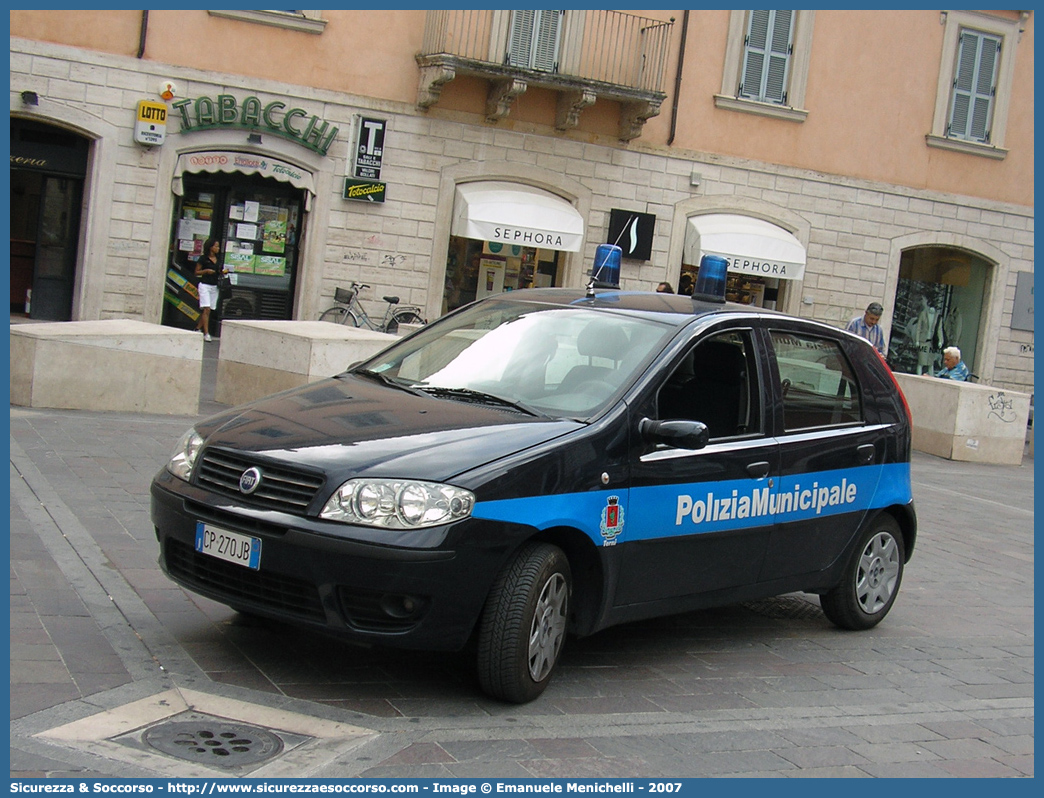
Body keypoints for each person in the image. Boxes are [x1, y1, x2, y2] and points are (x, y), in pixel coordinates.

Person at [194, 237, 226, 342]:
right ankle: (206, 333)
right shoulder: (203, 259)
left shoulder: (219, 259)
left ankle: (197, 328)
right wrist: (206, 271)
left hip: (214, 286)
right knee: (206, 309)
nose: (218, 248)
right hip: (205, 285)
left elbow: (219, 271)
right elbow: (197, 272)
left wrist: (223, 272)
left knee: (209, 310)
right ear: (210, 247)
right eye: (216, 246)